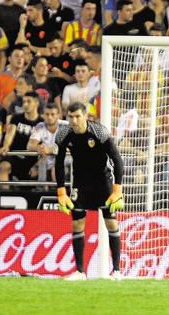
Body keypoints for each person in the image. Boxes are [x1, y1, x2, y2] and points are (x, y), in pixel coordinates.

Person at [55, 102, 125, 280]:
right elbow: (59, 163)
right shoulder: (63, 133)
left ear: (86, 116)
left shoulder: (99, 132)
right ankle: (80, 272)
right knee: (77, 224)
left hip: (103, 182)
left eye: (78, 116)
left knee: (111, 223)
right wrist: (61, 191)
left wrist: (117, 189)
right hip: (80, 183)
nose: (74, 120)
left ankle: (116, 270)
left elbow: (117, 160)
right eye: (71, 117)